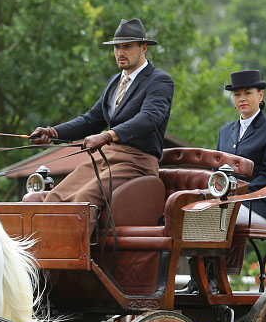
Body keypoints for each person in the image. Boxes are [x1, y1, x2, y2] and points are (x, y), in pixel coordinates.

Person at [30, 18, 174, 211]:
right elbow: (91, 120)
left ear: (144, 48)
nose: (120, 53)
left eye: (127, 47)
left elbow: (149, 118)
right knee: (55, 196)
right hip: (106, 158)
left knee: (83, 199)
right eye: (117, 48)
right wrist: (53, 132)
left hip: (137, 162)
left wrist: (107, 136)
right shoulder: (115, 82)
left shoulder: (159, 81)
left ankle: (80, 242)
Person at [216, 69, 266, 225]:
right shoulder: (225, 132)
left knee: (213, 213)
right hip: (225, 201)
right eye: (237, 95)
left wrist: (238, 192)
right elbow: (216, 170)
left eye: (248, 93)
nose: (242, 99)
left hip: (258, 205)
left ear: (260, 95)